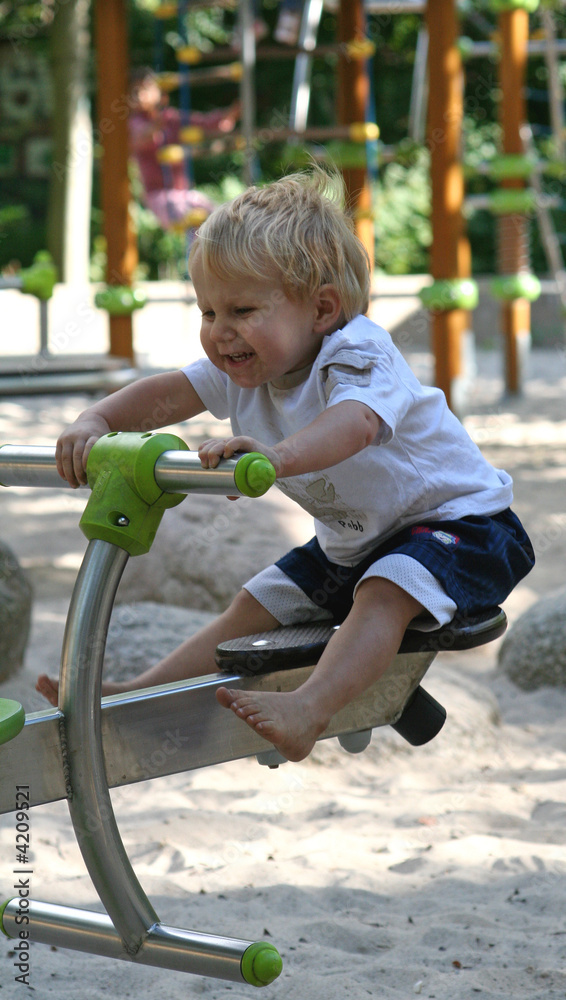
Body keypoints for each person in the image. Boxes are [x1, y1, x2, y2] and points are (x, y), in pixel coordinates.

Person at [36, 168, 535, 763]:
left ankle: (309, 706)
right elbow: (168, 394)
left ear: (322, 309)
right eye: (207, 312)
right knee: (257, 602)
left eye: (242, 309)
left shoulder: (357, 355)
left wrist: (277, 456)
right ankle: (144, 696)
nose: (221, 333)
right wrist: (98, 421)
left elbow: (356, 424)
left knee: (385, 588)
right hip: (358, 545)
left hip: (466, 529)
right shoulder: (246, 368)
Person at [128, 68, 240, 230]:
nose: (139, 96)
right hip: (160, 196)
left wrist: (229, 115)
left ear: (159, 93)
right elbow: (143, 135)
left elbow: (204, 122)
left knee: (220, 218)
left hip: (184, 194)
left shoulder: (171, 118)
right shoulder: (135, 123)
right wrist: (158, 121)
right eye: (134, 92)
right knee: (194, 221)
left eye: (144, 89)